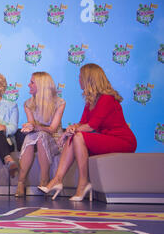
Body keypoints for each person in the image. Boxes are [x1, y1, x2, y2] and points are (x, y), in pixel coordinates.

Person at [39, 63, 137, 201]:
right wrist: (70, 129)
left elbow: (91, 126)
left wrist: (71, 132)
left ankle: (82, 182)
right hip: (106, 138)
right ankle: (57, 179)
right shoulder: (91, 101)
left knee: (78, 136)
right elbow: (82, 123)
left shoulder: (106, 98)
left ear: (89, 79)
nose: (78, 80)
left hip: (122, 141)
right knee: (75, 136)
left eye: (81, 77)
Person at [16, 72, 66, 197]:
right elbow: (32, 123)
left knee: (41, 135)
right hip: (37, 138)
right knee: (31, 136)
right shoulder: (28, 104)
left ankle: (44, 180)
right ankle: (21, 182)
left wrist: (35, 127)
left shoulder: (59, 103)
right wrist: (29, 126)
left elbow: (53, 129)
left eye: (32, 82)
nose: (28, 85)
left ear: (41, 85)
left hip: (55, 141)